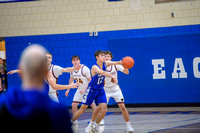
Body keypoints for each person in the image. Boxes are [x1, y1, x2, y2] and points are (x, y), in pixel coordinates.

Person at [0, 44, 72, 133]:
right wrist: (70, 86)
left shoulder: (4, 102)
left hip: (50, 95)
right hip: (46, 98)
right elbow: (55, 85)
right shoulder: (59, 111)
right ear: (45, 72)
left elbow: (65, 70)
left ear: (21, 72)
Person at [71, 50, 122, 132]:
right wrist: (112, 76)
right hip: (91, 90)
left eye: (104, 55)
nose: (104, 57)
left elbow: (115, 63)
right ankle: (71, 121)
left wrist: (121, 62)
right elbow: (102, 72)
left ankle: (93, 125)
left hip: (100, 90)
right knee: (83, 109)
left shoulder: (106, 63)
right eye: (102, 55)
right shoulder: (94, 67)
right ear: (97, 57)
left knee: (104, 109)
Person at [7, 52, 80, 102]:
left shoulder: (54, 68)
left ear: (51, 59)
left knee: (55, 113)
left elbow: (65, 69)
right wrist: (17, 70)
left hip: (52, 94)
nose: (47, 59)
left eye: (49, 57)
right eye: (45, 57)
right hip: (40, 94)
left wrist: (73, 68)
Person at [104, 51, 134, 133]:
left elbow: (127, 72)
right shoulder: (103, 65)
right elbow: (107, 63)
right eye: (105, 56)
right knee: (102, 108)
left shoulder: (116, 65)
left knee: (123, 107)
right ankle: (98, 122)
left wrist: (125, 65)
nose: (106, 58)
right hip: (105, 89)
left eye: (108, 56)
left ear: (111, 57)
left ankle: (129, 126)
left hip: (115, 89)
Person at [65, 55, 96, 124]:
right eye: (74, 60)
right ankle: (75, 120)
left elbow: (91, 81)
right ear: (72, 62)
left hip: (88, 89)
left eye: (76, 60)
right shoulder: (72, 70)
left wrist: (85, 89)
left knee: (92, 105)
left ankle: (98, 120)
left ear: (79, 61)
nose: (75, 62)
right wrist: (68, 89)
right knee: (74, 105)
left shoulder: (85, 69)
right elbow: (71, 80)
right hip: (79, 89)